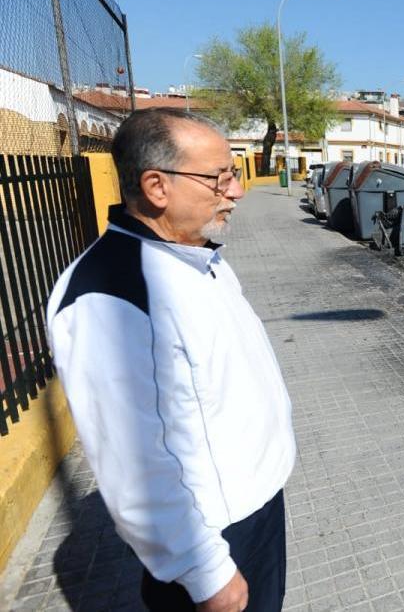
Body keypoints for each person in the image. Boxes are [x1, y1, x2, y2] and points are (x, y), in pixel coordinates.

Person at [46, 108, 296, 612]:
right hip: (214, 539)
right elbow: (133, 462)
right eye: (219, 176)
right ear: (157, 187)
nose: (236, 190)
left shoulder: (196, 257)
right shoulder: (109, 295)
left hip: (257, 507)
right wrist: (205, 573)